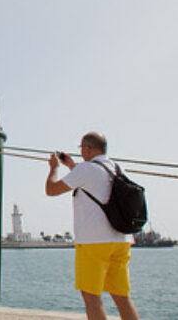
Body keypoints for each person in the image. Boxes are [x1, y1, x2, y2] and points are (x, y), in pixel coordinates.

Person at [45, 132, 139, 320]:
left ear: (88, 148)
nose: (81, 152)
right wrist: (71, 166)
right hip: (121, 241)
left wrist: (54, 168)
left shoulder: (86, 169)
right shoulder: (115, 168)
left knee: (91, 297)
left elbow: (51, 190)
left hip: (93, 243)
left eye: (81, 148)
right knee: (122, 297)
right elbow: (93, 183)